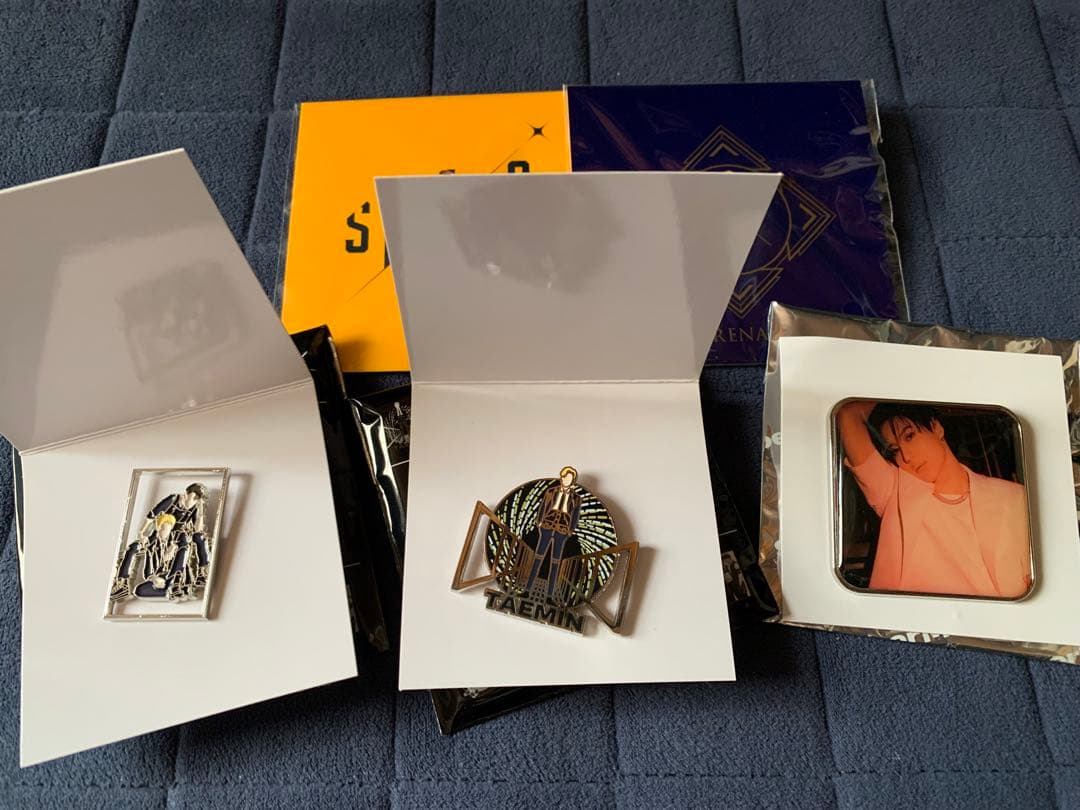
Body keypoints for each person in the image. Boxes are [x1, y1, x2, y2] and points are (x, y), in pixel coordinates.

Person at [837, 400, 1031, 599]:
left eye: (909, 436)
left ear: (936, 427)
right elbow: (847, 414)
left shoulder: (1015, 497)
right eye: (895, 450)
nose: (906, 456)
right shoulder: (894, 492)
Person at [524, 467, 582, 600]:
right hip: (547, 527)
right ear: (561, 478)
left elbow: (575, 516)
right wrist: (539, 522)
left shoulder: (576, 498)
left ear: (573, 481)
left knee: (555, 562)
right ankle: (527, 590)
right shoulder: (550, 491)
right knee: (538, 558)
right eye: (565, 478)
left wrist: (570, 531)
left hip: (562, 531)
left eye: (570, 479)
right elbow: (543, 507)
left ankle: (549, 595)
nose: (567, 481)